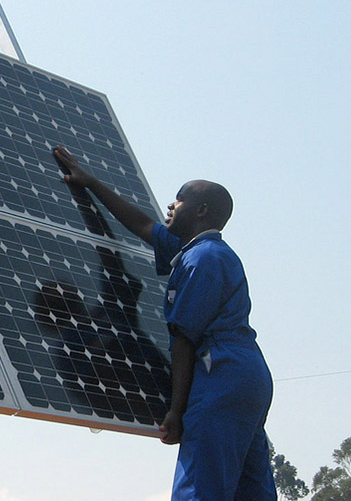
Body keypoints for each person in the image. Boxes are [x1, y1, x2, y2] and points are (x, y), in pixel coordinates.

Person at [52, 145, 275, 500]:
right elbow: (141, 224)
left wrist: (176, 409)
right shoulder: (198, 251)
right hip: (248, 377)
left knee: (201, 488)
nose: (171, 205)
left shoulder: (202, 259)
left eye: (179, 199)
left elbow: (184, 337)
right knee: (249, 489)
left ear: (201, 211)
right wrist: (90, 182)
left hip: (220, 372)